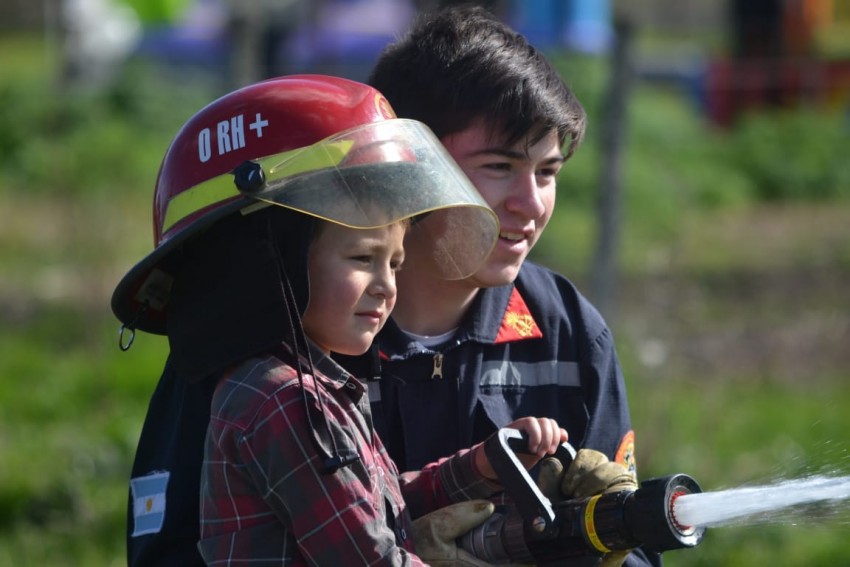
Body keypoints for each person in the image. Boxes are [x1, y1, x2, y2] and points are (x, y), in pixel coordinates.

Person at [112, 74, 567, 565]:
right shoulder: (286, 402)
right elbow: (370, 554)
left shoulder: (317, 387)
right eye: (360, 258)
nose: (386, 285)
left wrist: (481, 464)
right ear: (275, 263)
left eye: (394, 263)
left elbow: (376, 504)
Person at [335, 5, 662, 566]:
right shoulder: (295, 325)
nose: (530, 205)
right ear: (403, 165)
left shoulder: (569, 330)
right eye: (498, 167)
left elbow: (638, 557)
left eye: (547, 172)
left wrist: (603, 540)